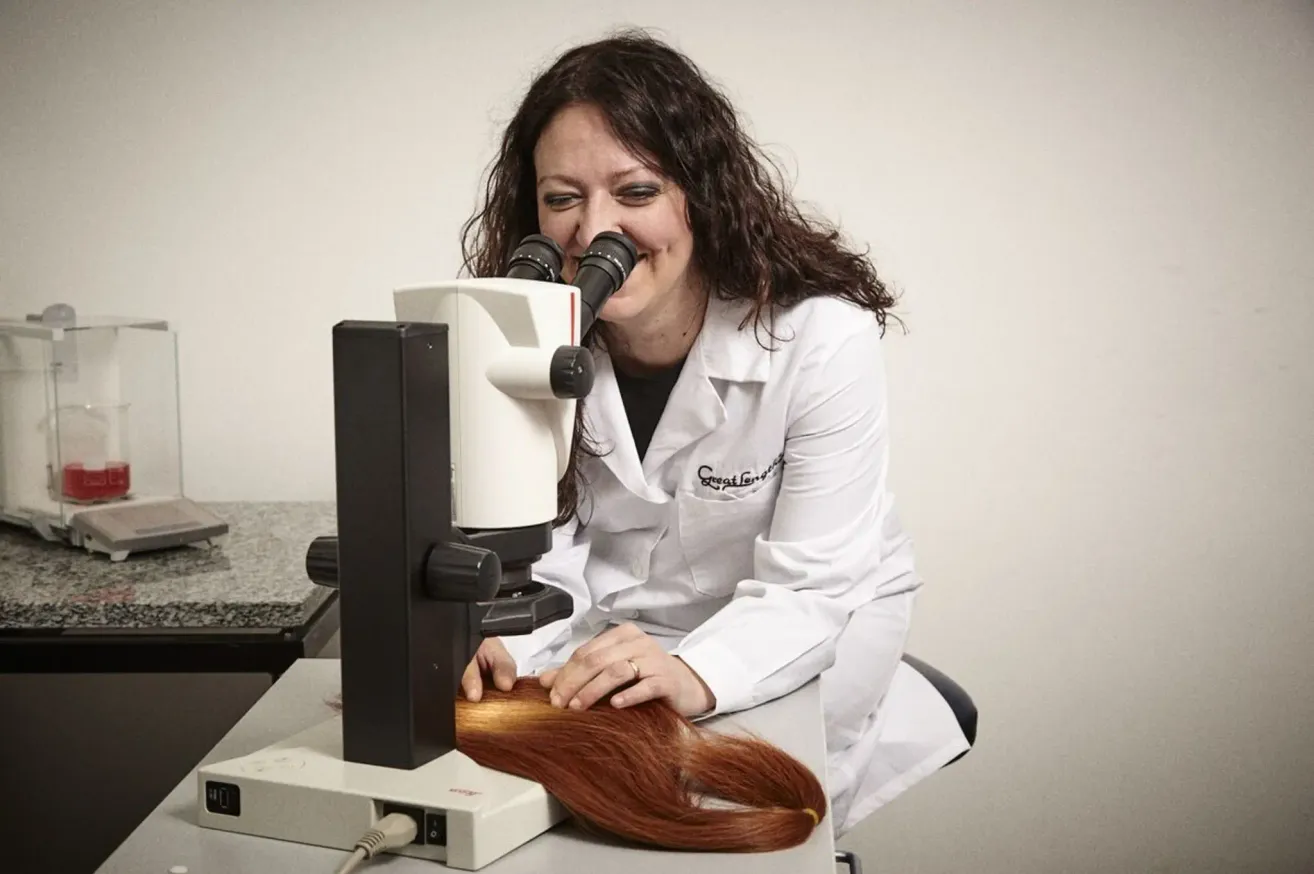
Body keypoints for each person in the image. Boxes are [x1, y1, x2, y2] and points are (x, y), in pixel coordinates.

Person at [457, 29, 970, 836]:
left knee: (701, 817)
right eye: (562, 199)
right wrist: (505, 643)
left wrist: (697, 669)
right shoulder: (531, 341)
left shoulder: (818, 340)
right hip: (621, 636)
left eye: (635, 192)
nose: (595, 232)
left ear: (700, 193)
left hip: (808, 631)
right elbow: (543, 550)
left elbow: (813, 588)